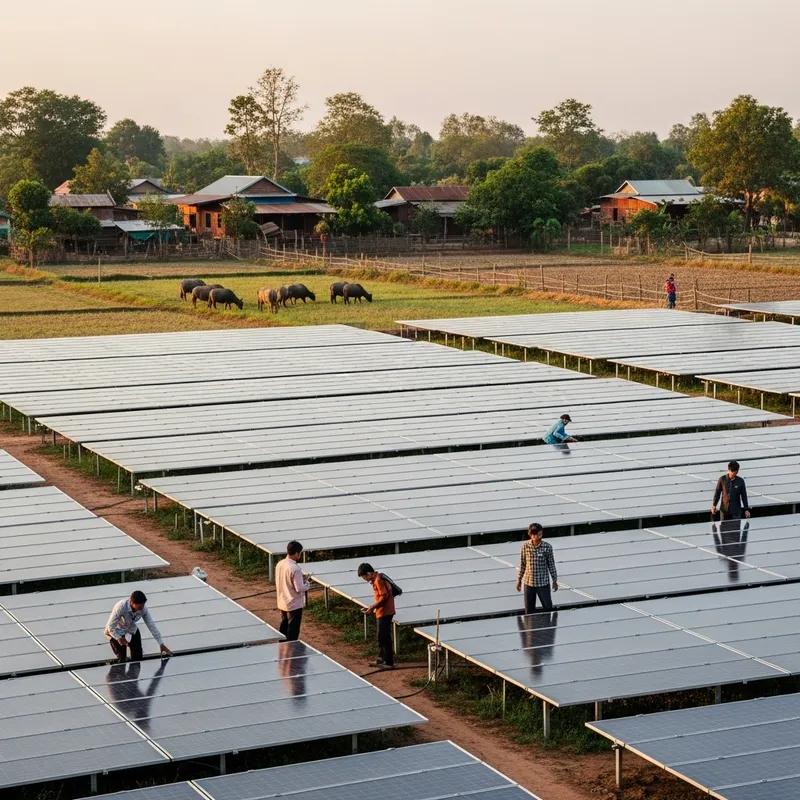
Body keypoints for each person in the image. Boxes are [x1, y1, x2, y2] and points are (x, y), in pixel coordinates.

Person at [104, 590, 172, 663]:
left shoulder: (143, 609)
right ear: (132, 603)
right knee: (122, 659)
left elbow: (151, 625)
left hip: (131, 630)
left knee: (138, 657)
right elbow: (110, 627)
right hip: (116, 631)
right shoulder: (121, 607)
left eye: (143, 604)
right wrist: (118, 638)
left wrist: (161, 643)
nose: (142, 607)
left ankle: (134, 673)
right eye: (140, 605)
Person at [357, 563, 395, 669]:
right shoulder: (378, 578)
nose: (365, 579)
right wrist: (373, 607)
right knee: (381, 636)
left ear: (369, 573)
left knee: (384, 636)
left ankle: (388, 662)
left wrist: (372, 607)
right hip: (382, 611)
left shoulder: (378, 580)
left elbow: (383, 598)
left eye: (364, 576)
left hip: (385, 612)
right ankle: (382, 659)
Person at [515, 523, 559, 612]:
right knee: (529, 610)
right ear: (531, 534)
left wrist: (554, 580)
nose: (539, 537)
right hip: (529, 583)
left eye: (540, 534)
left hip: (543, 583)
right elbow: (522, 564)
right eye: (536, 535)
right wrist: (519, 580)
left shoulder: (547, 547)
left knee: (548, 608)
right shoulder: (525, 546)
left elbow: (551, 564)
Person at [275, 540, 310, 641]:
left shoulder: (280, 564)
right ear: (297, 553)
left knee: (284, 625)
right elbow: (299, 588)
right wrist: (307, 584)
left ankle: (281, 648)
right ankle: (291, 650)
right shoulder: (295, 568)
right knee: (293, 630)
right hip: (294, 604)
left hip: (282, 601)